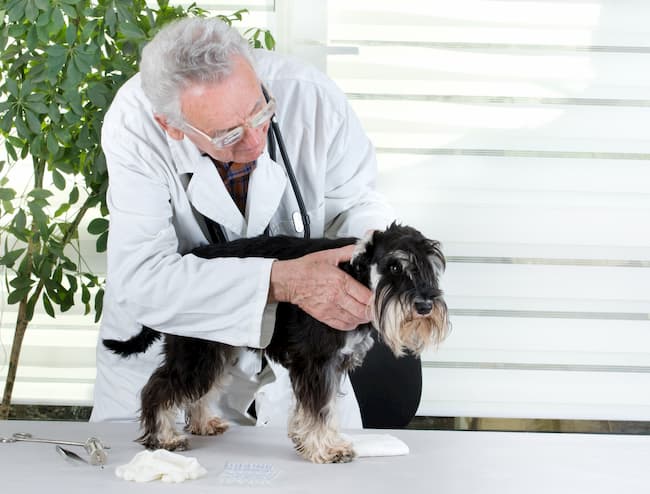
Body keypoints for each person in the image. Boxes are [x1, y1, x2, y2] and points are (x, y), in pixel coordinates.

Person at [90, 16, 396, 428]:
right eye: (227, 135)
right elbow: (143, 277)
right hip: (176, 335)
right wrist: (283, 280)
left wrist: (371, 262)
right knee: (151, 469)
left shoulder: (313, 97)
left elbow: (356, 208)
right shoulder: (137, 125)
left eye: (260, 112)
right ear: (172, 126)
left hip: (301, 347)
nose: (254, 143)